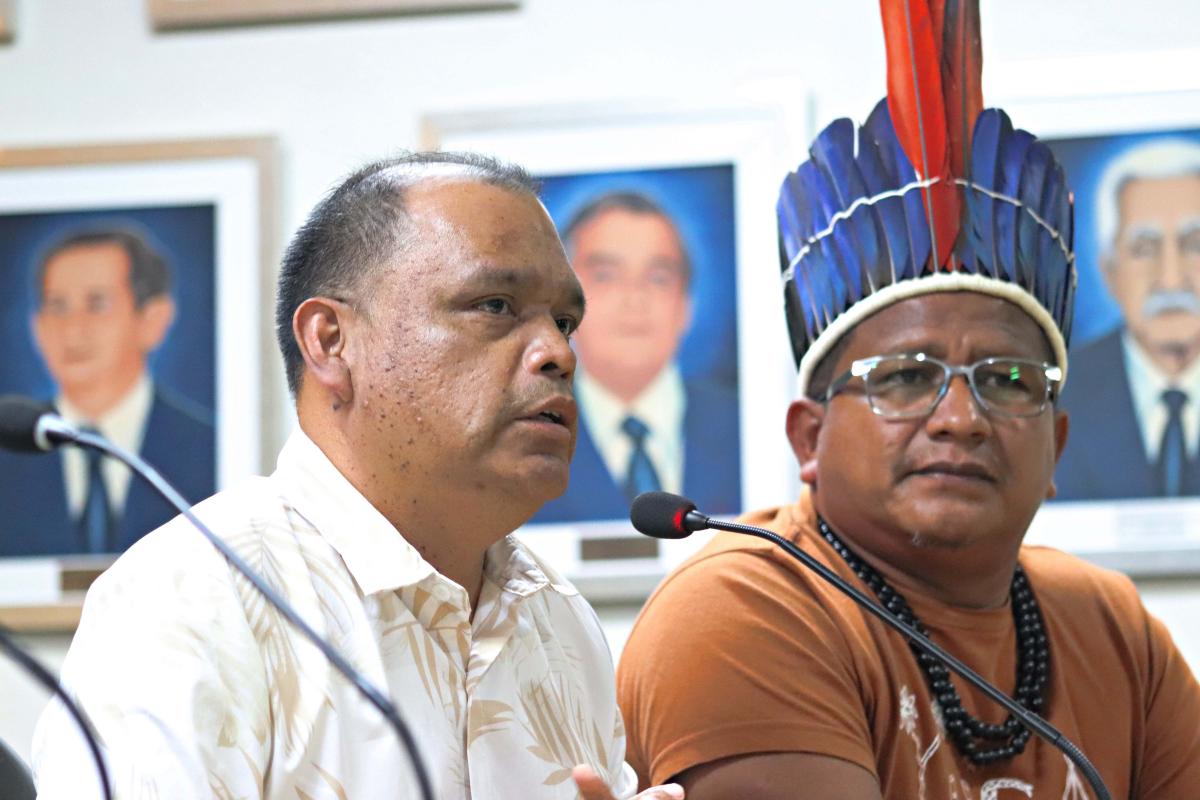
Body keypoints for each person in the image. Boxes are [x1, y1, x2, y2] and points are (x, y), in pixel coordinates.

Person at [617, 3, 1200, 797]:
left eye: (1007, 381)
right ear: (809, 438)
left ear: (1058, 446)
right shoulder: (742, 609)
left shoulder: (1110, 626)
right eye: (905, 378)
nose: (961, 419)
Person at [32, 153, 682, 800]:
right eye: (495, 305)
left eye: (565, 322)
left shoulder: (560, 620)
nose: (560, 353)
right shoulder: (191, 601)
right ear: (330, 341)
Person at [0, 227, 214, 556]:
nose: (73, 330)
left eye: (96, 304)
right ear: (37, 326)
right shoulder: (9, 459)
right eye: (58, 307)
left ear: (153, 320)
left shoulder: (206, 445)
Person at [532, 192, 740, 523]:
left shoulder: (742, 423)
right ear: (564, 304)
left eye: (658, 278)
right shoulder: (528, 432)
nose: (634, 299)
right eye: (606, 276)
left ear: (686, 306)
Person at [1056, 138, 1200, 499]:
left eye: (1194, 244)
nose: (1170, 278)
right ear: (1110, 271)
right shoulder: (1059, 392)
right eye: (1143, 248)